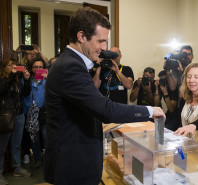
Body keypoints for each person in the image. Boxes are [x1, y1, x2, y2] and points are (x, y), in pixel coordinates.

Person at [44, 7, 165, 185]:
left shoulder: (73, 63)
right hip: (72, 166)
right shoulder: (70, 66)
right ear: (81, 36)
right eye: (100, 41)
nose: (104, 48)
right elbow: (105, 109)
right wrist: (150, 110)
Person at [0, 59, 31, 184]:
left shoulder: (16, 80)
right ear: (3, 68)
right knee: (1, 147)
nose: (13, 67)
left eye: (15, 65)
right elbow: (2, 90)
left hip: (19, 115)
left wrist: (27, 79)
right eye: (10, 65)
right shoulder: (3, 80)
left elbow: (26, 93)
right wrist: (13, 75)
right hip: (6, 116)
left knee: (17, 145)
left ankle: (17, 168)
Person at [22, 57, 47, 169]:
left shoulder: (47, 80)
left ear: (44, 68)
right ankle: (37, 159)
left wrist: (49, 79)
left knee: (46, 137)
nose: (38, 69)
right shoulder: (26, 79)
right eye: (35, 67)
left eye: (40, 67)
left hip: (44, 113)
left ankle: (49, 159)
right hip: (31, 113)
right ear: (31, 68)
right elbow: (25, 93)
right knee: (34, 138)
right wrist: (27, 80)